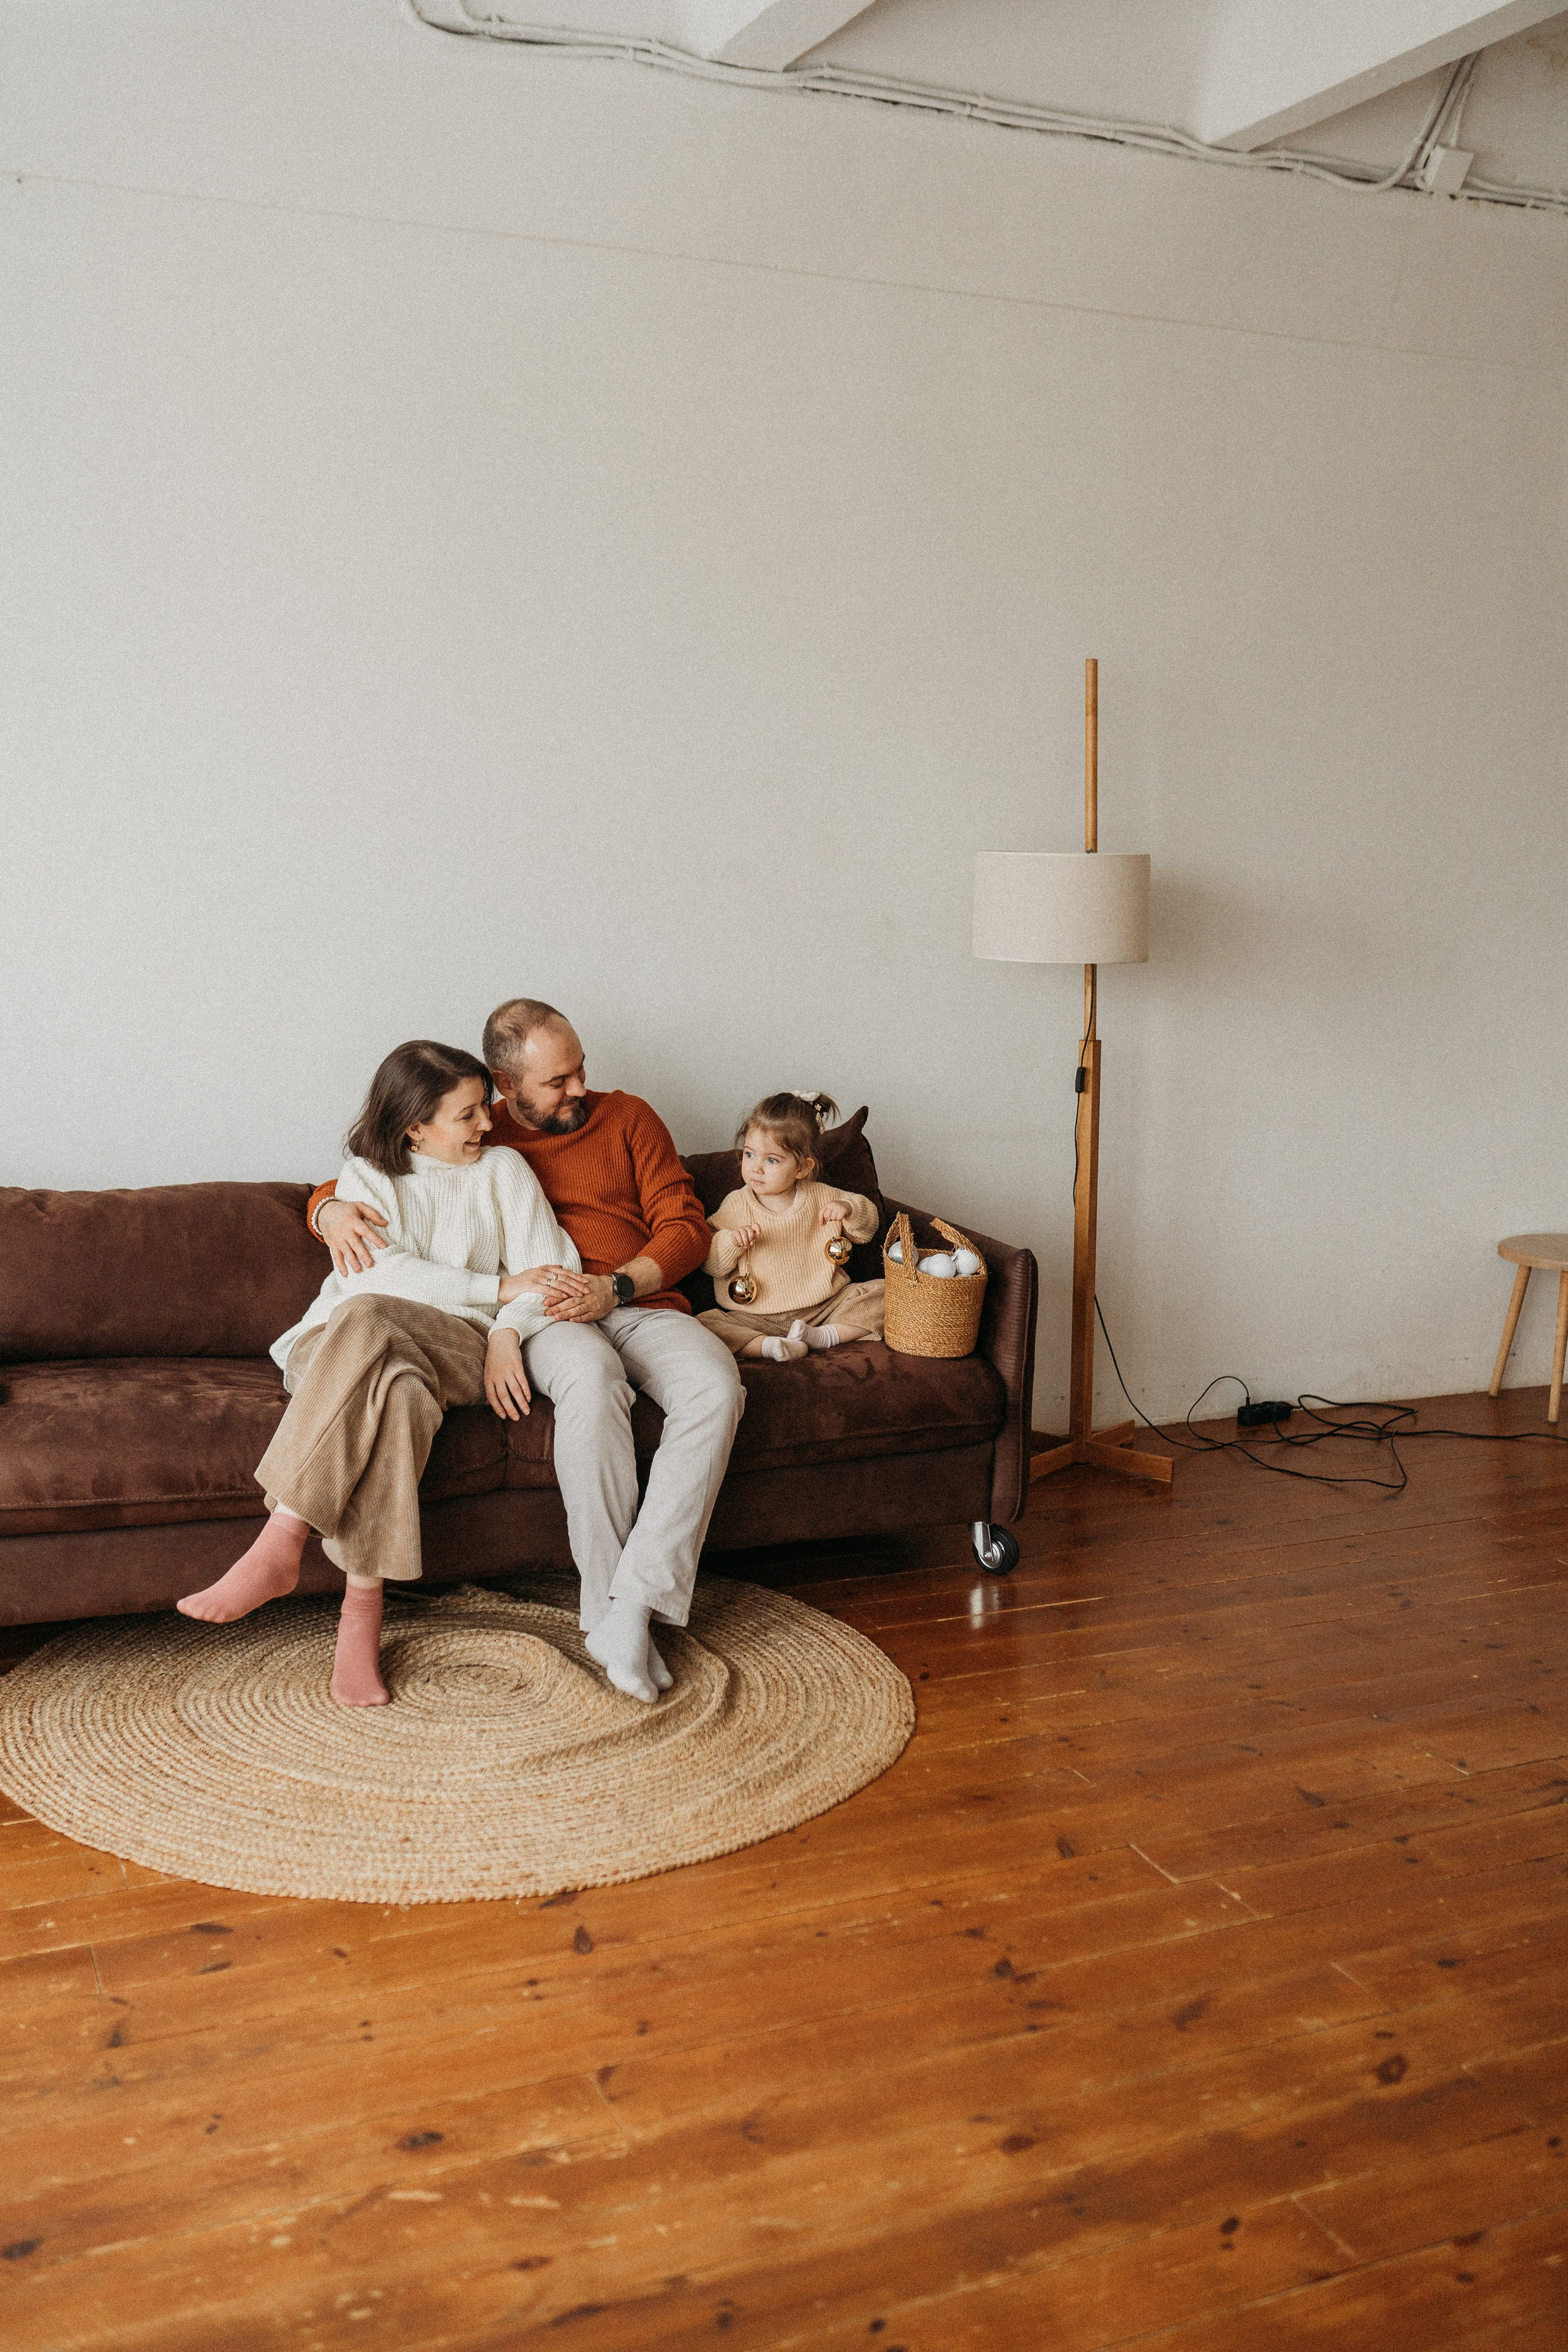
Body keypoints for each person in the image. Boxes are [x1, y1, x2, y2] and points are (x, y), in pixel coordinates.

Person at [308, 1001, 744, 1706]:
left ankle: (631, 1607)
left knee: (716, 1388)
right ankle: (605, 1611)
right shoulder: (481, 1131)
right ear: (507, 1089)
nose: (579, 1090)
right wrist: (325, 1208)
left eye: (579, 1071)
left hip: (637, 1300)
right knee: (593, 1382)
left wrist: (617, 1286)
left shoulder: (629, 1118)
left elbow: (686, 1227)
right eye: (557, 1081)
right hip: (545, 1317)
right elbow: (391, 1168)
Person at [178, 1041, 578, 1707]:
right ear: (414, 1125)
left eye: (484, 1107)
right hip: (336, 1347)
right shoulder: (366, 1175)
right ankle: (358, 1626)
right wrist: (496, 1285)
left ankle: (283, 1536)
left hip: (453, 1344)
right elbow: (379, 1274)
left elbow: (551, 1270)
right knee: (395, 1389)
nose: (488, 1123)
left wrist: (508, 1320)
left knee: (372, 1321)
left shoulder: (504, 1170)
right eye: (468, 1114)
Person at [699, 1091, 884, 1362]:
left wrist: (848, 1209)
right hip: (756, 1316)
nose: (756, 1169)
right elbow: (709, 1262)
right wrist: (730, 1242)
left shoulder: (821, 1195)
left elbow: (868, 1228)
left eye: (771, 1160)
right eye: (750, 1155)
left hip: (823, 1307)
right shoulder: (737, 1204)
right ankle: (770, 1346)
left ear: (802, 1168)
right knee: (705, 1324)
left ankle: (822, 1337)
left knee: (885, 1293)